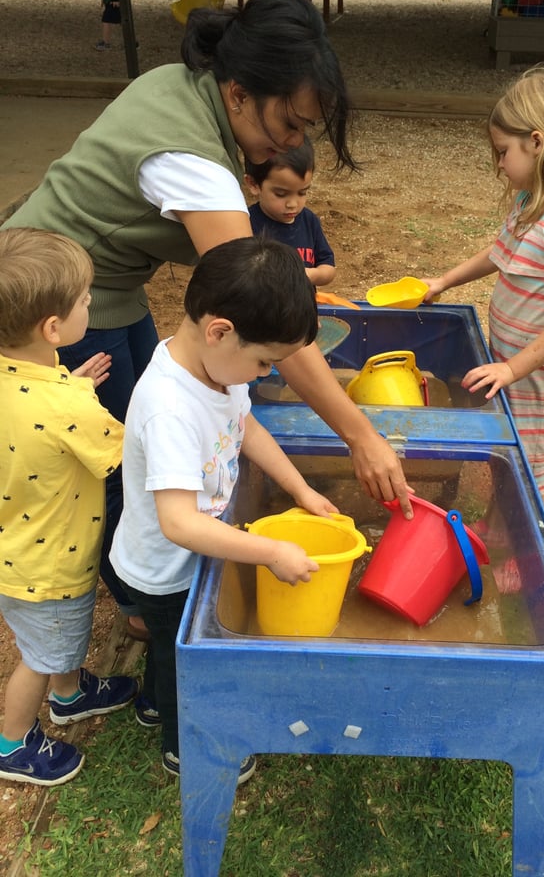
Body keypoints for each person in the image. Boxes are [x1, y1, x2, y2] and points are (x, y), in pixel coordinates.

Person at [2, 0, 412, 639]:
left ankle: (140, 585)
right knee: (103, 465)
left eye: (304, 129)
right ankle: (142, 605)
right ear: (240, 93)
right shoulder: (196, 163)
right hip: (54, 304)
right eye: (290, 124)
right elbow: (260, 306)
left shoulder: (186, 84)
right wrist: (360, 435)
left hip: (105, 282)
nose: (291, 142)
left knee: (131, 439)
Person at [110, 237, 337, 780]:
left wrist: (301, 490)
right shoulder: (170, 408)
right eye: (264, 361)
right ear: (220, 331)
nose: (264, 374)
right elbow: (178, 523)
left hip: (188, 552)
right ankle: (183, 745)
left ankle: (154, 700)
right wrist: (270, 551)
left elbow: (245, 426)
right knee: (182, 654)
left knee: (171, 650)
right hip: (164, 569)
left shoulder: (217, 370)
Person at [420, 65, 544, 495]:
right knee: (509, 448)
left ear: (536, 142)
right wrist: (445, 280)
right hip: (509, 360)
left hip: (533, 372)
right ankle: (503, 516)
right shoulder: (531, 202)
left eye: (503, 152)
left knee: (526, 459)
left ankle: (518, 536)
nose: (500, 164)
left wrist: (512, 367)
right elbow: (501, 253)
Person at [0, 229, 138, 787]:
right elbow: (126, 451)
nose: (90, 305)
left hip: (18, 547)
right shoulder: (63, 406)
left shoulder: (26, 378)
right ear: (53, 328)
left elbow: (38, 416)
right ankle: (12, 742)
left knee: (53, 640)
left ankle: (71, 694)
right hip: (52, 562)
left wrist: (69, 390)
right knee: (40, 652)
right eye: (86, 300)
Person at [245, 136, 336, 288]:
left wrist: (312, 275)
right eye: (281, 194)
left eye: (302, 193)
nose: (293, 204)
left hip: (303, 308)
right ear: (254, 184)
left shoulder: (309, 220)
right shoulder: (246, 223)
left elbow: (328, 268)